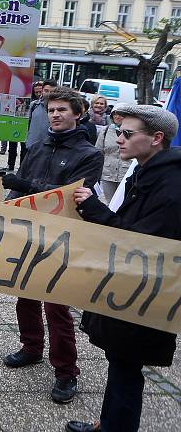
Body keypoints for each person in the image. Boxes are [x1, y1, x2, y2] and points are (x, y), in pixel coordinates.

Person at [67, 105, 179, 432]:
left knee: (126, 367)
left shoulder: (171, 187)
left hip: (143, 296)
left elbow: (139, 243)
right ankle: (110, 423)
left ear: (156, 138)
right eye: (119, 132)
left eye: (128, 133)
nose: (119, 139)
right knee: (121, 363)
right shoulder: (147, 170)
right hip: (131, 290)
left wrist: (93, 208)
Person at [1, 86, 104, 404]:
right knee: (26, 295)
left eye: (62, 110)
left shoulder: (89, 155)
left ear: (78, 114)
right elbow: (20, 186)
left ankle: (66, 372)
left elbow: (70, 195)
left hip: (63, 237)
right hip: (29, 231)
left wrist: (26, 185)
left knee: (57, 307)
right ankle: (31, 347)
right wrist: (6, 209)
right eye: (52, 110)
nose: (56, 115)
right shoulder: (37, 146)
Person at [95, 103, 133, 202]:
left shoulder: (133, 132)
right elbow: (98, 151)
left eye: (120, 114)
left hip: (126, 174)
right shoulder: (105, 130)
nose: (117, 116)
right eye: (114, 114)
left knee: (123, 202)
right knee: (109, 202)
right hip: (108, 174)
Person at [25, 79, 57, 151]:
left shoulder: (58, 109)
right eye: (46, 91)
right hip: (31, 147)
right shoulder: (34, 105)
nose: (49, 94)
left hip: (49, 148)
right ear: (42, 91)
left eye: (52, 91)